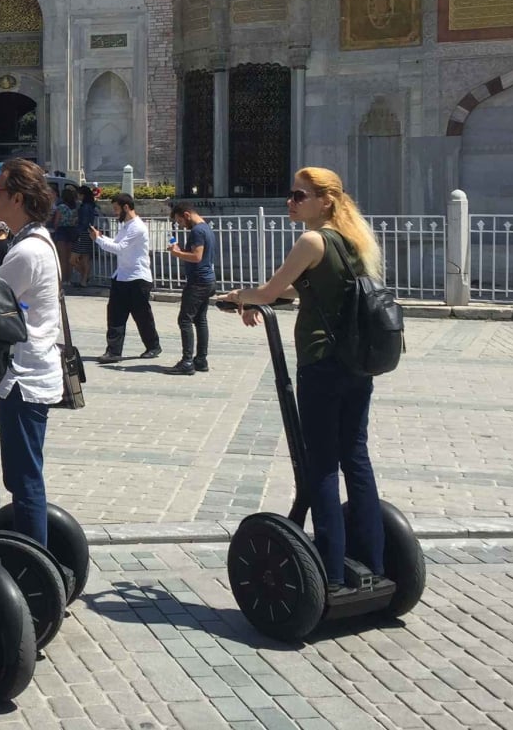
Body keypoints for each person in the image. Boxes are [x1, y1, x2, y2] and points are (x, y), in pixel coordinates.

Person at [217, 167, 386, 593]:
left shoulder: (312, 240)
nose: (290, 203)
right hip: (356, 365)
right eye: (291, 195)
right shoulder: (354, 241)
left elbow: (273, 292)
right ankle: (375, 560)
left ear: (325, 200)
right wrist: (256, 298)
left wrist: (238, 298)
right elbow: (300, 290)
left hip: (322, 364)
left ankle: (329, 574)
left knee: (322, 464)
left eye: (299, 195)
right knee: (356, 459)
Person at [0, 160, 62, 548]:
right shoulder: (35, 243)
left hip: (23, 379)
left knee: (24, 478)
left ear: (17, 197)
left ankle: (36, 565)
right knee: (24, 474)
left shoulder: (26, 252)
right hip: (31, 374)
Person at [91, 193, 161, 363]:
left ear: (126, 207)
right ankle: (114, 351)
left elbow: (120, 248)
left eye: (116, 209)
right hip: (122, 276)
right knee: (115, 315)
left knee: (142, 315)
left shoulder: (137, 227)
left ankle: (153, 346)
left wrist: (99, 240)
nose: (115, 213)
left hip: (137, 278)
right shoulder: (126, 226)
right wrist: (101, 237)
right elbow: (116, 243)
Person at [168, 201, 216, 374]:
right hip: (208, 280)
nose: (180, 225)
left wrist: (177, 253)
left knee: (185, 320)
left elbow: (197, 257)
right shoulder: (206, 228)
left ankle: (187, 361)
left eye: (180, 221)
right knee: (200, 320)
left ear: (186, 215)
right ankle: (201, 359)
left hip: (198, 282)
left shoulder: (197, 231)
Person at [69, 185, 98, 288]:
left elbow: (84, 222)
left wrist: (77, 231)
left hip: (82, 232)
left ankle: (84, 277)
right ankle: (84, 279)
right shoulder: (91, 205)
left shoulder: (85, 207)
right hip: (88, 232)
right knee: (85, 258)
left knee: (73, 259)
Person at [50, 187, 78, 285]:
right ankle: (69, 279)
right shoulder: (74, 208)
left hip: (62, 231)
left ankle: (62, 279)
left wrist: (54, 227)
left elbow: (57, 221)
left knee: (62, 258)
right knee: (69, 257)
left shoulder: (61, 207)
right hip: (71, 231)